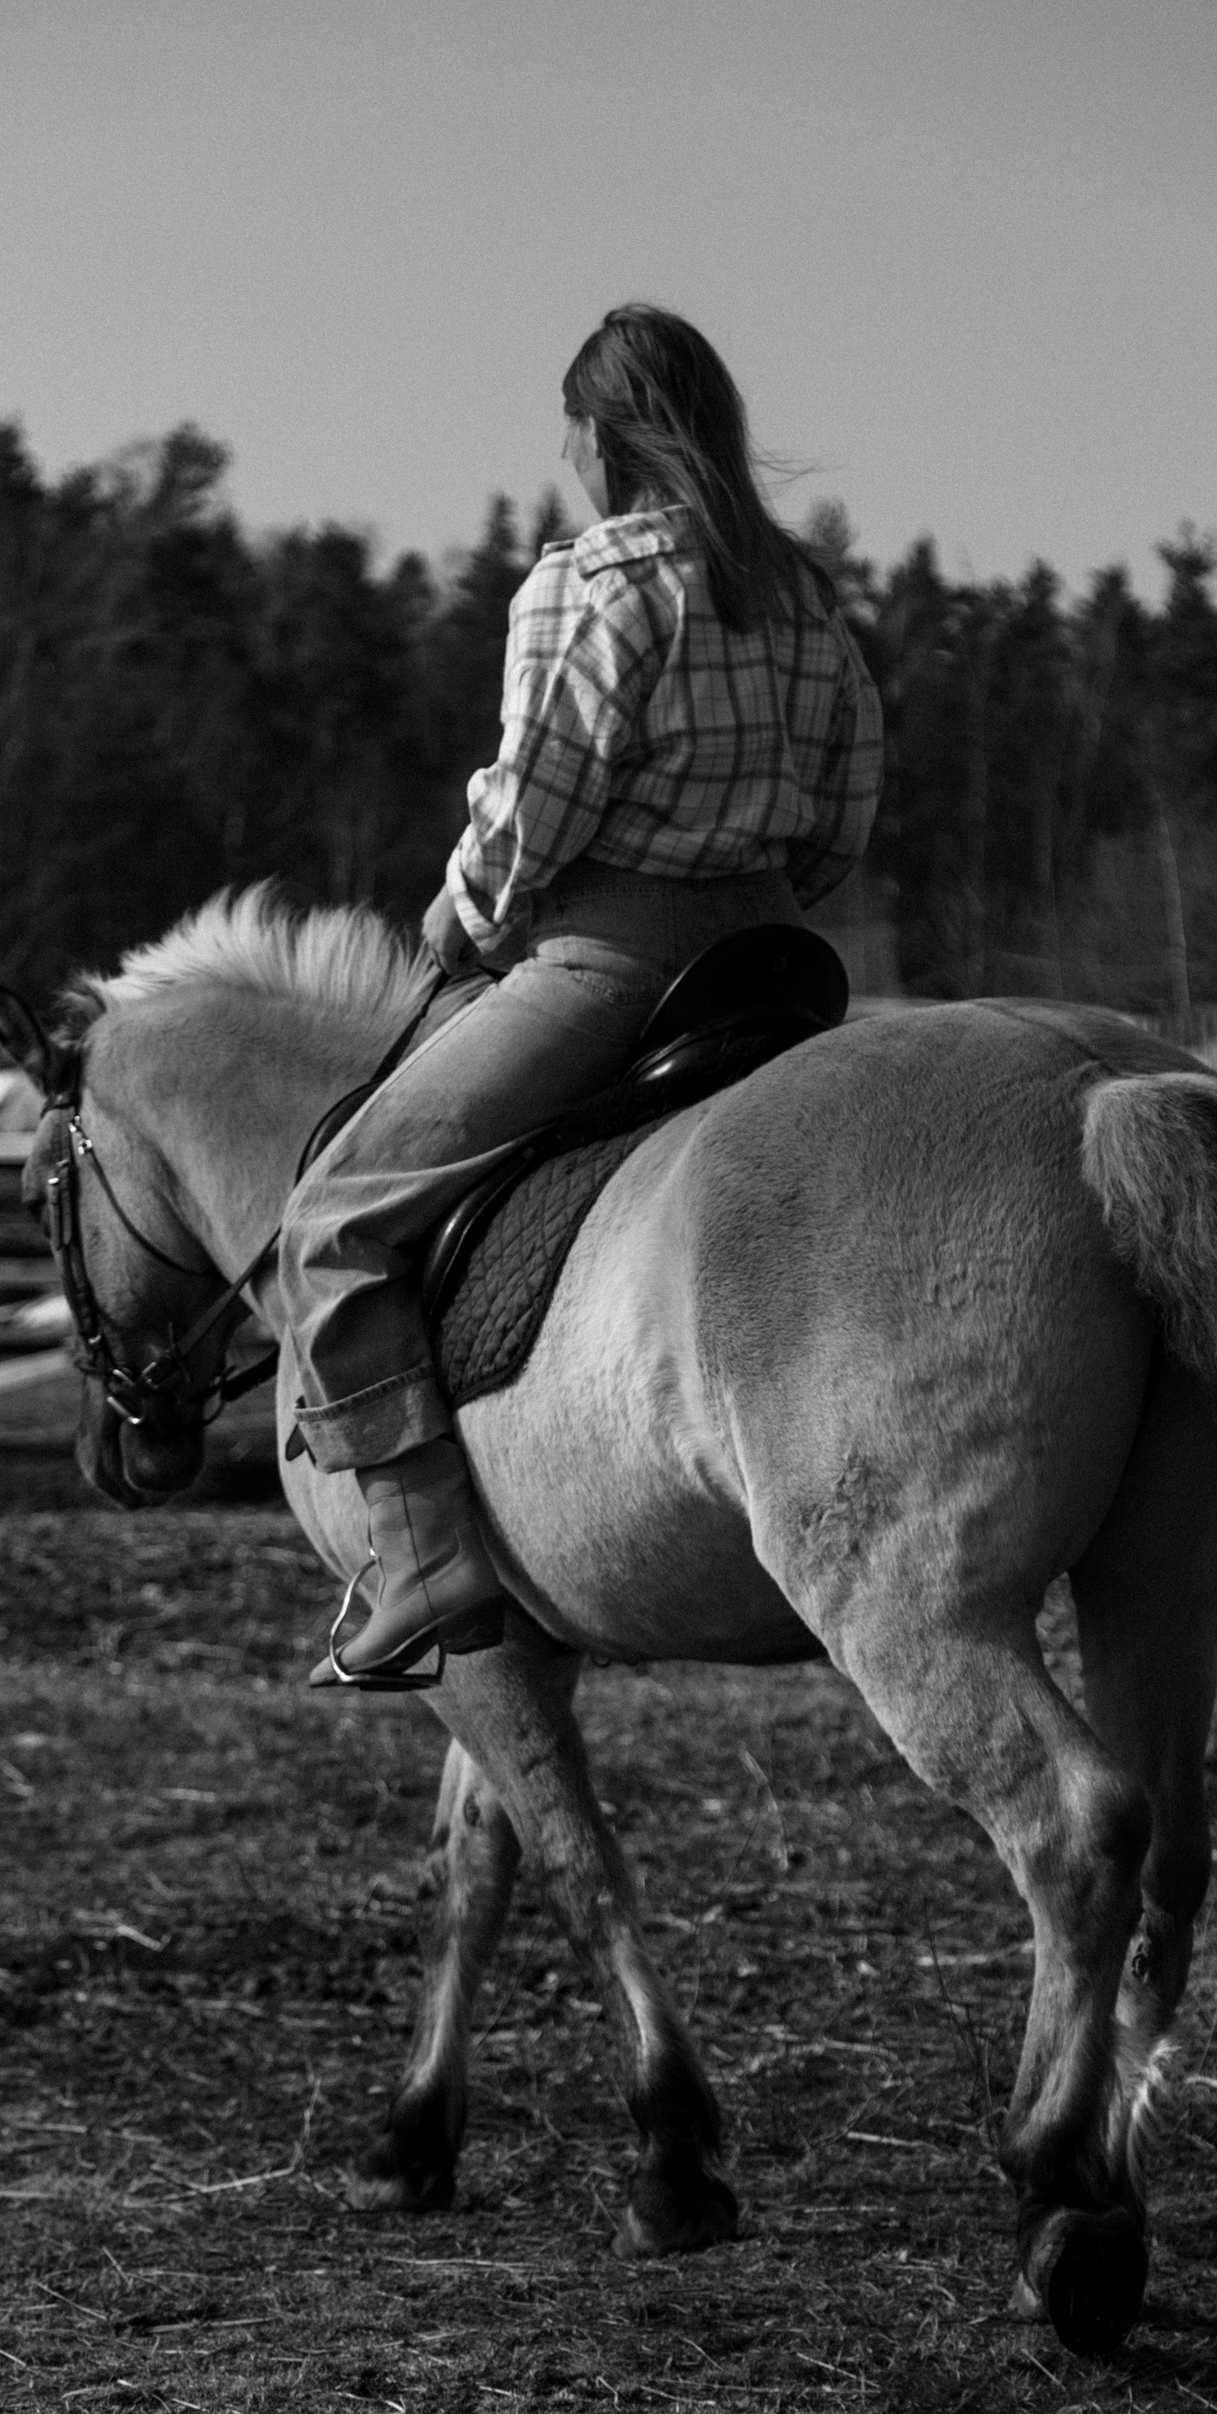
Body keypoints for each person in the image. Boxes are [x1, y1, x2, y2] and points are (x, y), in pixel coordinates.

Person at [282, 304, 884, 1686]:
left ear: (602, 437)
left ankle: (427, 1554)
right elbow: (843, 823)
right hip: (775, 961)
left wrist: (462, 909)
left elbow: (537, 807)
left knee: (331, 1222)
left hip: (614, 965)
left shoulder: (594, 581)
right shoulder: (806, 595)